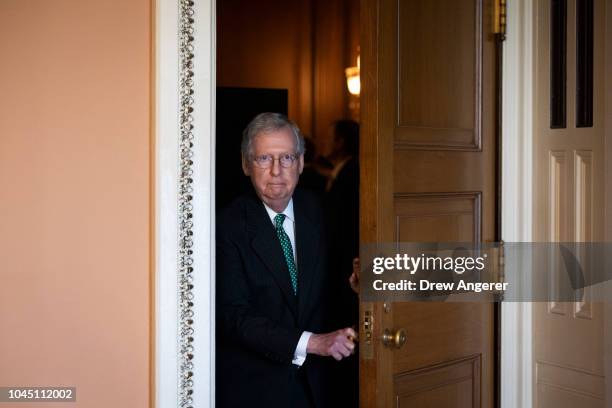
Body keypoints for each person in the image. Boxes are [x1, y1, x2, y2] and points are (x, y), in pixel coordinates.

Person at [216, 112, 357, 408]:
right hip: (258, 390)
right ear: (245, 165)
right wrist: (312, 342)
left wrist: (356, 284)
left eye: (287, 158)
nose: (277, 171)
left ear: (302, 163)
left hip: (324, 387)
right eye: (264, 159)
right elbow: (234, 315)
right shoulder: (226, 225)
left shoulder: (323, 211)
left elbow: (335, 286)